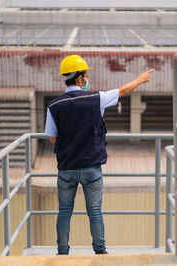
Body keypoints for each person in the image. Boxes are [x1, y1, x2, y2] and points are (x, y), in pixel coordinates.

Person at [44, 54, 154, 255]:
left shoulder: (54, 106)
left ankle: (62, 252)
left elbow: (52, 138)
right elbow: (123, 91)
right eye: (86, 76)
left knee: (64, 212)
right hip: (91, 168)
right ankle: (100, 251)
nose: (87, 79)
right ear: (79, 78)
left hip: (66, 169)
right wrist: (141, 79)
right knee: (94, 211)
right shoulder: (96, 99)